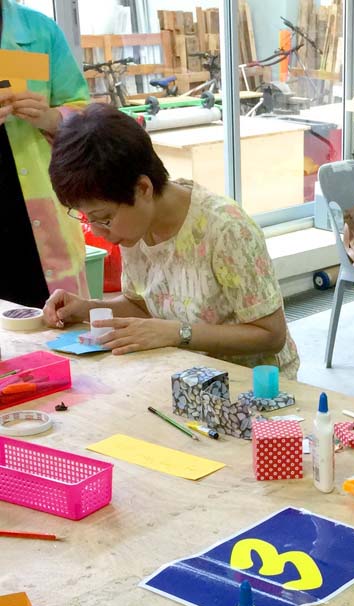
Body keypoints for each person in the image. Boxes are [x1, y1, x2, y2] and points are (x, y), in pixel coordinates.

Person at [43, 104, 300, 378]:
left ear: (143, 188)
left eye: (103, 218)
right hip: (186, 376)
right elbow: (143, 305)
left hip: (255, 387)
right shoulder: (135, 228)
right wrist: (87, 308)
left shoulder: (225, 229)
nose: (96, 230)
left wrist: (178, 333)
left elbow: (271, 335)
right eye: (86, 218)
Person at [0, 0, 90, 308]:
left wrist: (50, 118)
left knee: (52, 320)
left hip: (35, 213)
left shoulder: (38, 33)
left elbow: (84, 115)